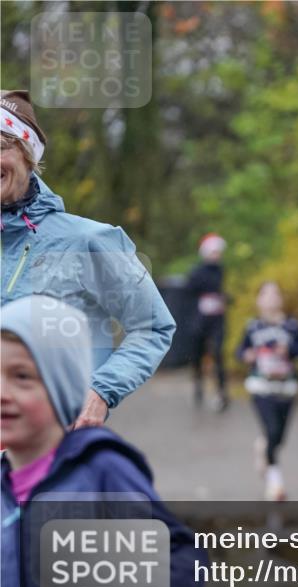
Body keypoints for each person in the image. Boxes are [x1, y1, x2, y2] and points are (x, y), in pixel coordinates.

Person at [1, 296, 202, 587]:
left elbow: (186, 557)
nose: (2, 393)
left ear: (63, 384)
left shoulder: (100, 469)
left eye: (22, 377)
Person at [0, 90, 175, 427]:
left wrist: (100, 391)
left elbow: (152, 326)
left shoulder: (88, 241)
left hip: (51, 451)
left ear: (27, 155)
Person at [237, 282, 298, 501]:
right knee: (271, 431)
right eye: (265, 294)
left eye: (275, 294)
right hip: (261, 386)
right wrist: (246, 355)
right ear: (258, 300)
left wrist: (289, 350)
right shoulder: (253, 327)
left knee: (279, 437)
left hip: (287, 387)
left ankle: (264, 449)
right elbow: (240, 351)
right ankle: (275, 482)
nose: (270, 299)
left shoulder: (292, 326)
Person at [188, 232, 229, 411]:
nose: (216, 255)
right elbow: (190, 294)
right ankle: (198, 385)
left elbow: (221, 291)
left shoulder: (221, 270)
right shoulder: (196, 272)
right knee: (197, 355)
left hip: (217, 319)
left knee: (218, 354)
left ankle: (222, 392)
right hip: (200, 320)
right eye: (213, 252)